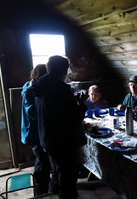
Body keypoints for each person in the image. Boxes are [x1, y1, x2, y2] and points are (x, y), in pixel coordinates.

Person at [33, 56, 88, 199]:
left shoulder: (40, 85)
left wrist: (72, 101)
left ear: (49, 68)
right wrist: (82, 104)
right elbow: (74, 119)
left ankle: (54, 194)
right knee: (68, 175)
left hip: (46, 137)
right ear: (66, 70)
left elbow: (55, 110)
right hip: (62, 141)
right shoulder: (61, 89)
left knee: (57, 172)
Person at [21, 64, 58, 195]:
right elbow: (33, 112)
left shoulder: (35, 86)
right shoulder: (30, 90)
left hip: (40, 131)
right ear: (40, 76)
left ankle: (44, 190)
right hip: (34, 132)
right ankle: (41, 192)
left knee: (43, 160)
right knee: (43, 163)